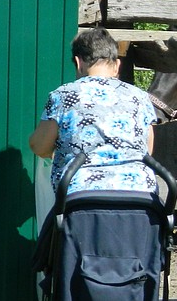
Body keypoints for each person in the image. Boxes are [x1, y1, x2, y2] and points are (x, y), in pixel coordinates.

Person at [29, 27, 158, 194]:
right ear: (117, 65)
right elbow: (147, 149)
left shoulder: (62, 95)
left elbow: (39, 146)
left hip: (82, 195)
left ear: (78, 62)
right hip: (140, 195)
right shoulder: (140, 97)